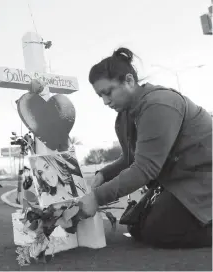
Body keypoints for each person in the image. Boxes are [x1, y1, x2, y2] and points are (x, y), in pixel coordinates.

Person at [80, 47, 212, 248]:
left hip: (203, 177)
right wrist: (103, 174)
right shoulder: (125, 114)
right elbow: (131, 158)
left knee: (160, 231)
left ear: (130, 81)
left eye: (108, 92)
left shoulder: (159, 104)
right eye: (101, 96)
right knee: (136, 224)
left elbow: (145, 169)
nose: (106, 101)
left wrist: (97, 198)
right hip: (180, 179)